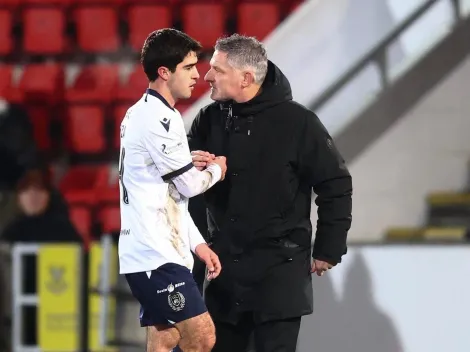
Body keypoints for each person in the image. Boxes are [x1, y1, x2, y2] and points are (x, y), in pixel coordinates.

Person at [188, 34, 353, 352]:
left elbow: (336, 184)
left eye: (217, 70)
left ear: (246, 78)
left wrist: (328, 248)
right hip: (224, 274)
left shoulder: (298, 122)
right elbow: (185, 188)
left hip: (279, 274)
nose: (206, 76)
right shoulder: (208, 120)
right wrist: (189, 166)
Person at [118, 29, 227, 352]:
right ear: (164, 72)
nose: (198, 75)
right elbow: (190, 186)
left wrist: (198, 245)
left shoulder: (150, 114)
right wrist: (217, 169)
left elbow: (171, 196)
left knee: (166, 339)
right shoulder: (158, 119)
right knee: (202, 337)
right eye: (189, 67)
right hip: (154, 256)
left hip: (160, 252)